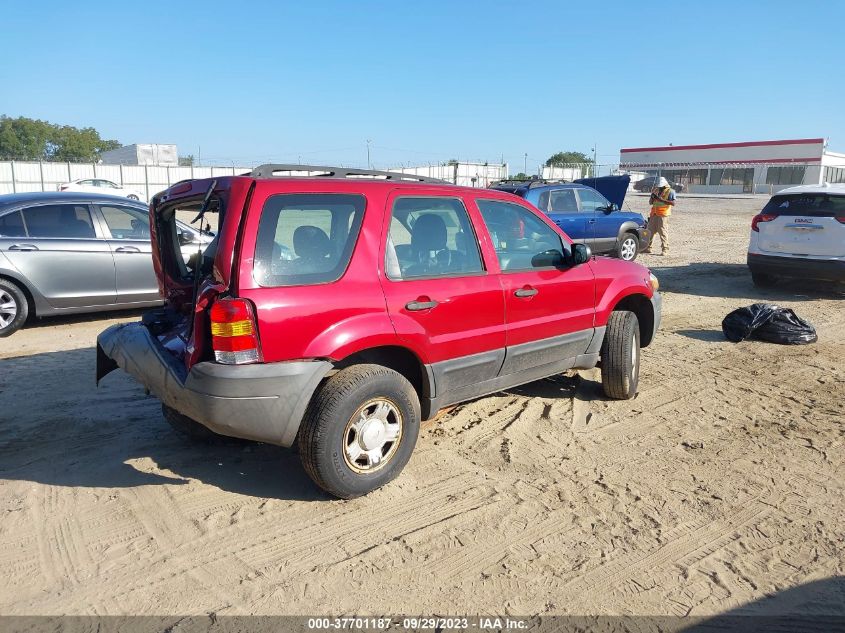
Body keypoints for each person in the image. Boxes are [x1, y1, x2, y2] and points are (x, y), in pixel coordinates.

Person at [643, 176, 676, 255]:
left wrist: (661, 199)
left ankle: (665, 249)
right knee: (650, 231)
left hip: (663, 214)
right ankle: (648, 248)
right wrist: (652, 197)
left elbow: (673, 203)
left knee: (663, 232)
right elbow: (651, 203)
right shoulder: (655, 190)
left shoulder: (670, 191)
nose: (659, 187)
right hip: (654, 214)